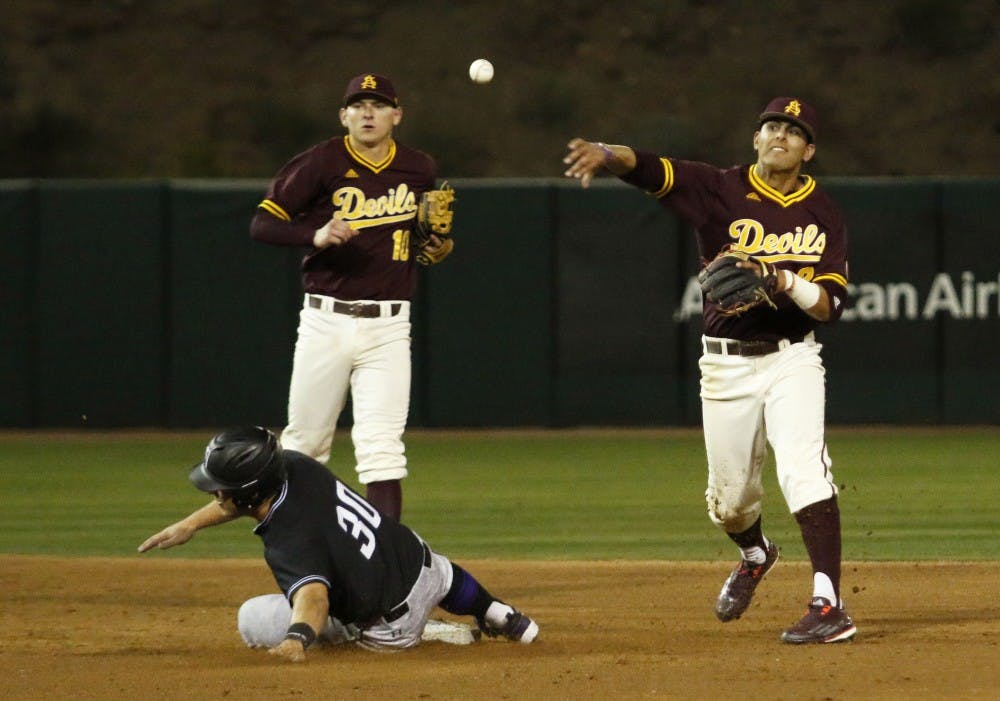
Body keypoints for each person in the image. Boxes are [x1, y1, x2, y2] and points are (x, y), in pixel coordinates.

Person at [563, 97, 856, 644]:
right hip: (725, 364)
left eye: (793, 132)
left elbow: (830, 308)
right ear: (755, 138)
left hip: (793, 354)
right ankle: (756, 553)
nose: (780, 136)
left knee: (804, 469)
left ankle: (828, 603)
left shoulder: (825, 213)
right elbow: (649, 168)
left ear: (808, 150)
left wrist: (783, 279)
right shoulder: (717, 187)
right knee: (730, 503)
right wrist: (606, 153)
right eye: (771, 126)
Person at [138, 427, 538, 662]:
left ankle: (431, 633)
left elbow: (313, 599)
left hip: (389, 627)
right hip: (423, 565)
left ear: (246, 492)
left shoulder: (289, 539)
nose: (216, 495)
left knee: (252, 618)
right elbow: (243, 502)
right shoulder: (295, 464)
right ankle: (498, 612)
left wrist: (297, 640)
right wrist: (190, 524)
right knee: (438, 570)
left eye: (220, 488)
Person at [249, 73, 453, 521]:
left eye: (378, 105)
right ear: (343, 115)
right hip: (327, 320)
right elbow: (262, 224)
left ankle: (385, 569)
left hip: (389, 325)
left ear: (396, 115)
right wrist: (314, 232)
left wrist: (434, 245)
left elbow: (420, 237)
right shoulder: (319, 163)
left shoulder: (419, 168)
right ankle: (300, 556)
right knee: (303, 445)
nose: (367, 112)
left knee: (382, 450)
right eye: (358, 105)